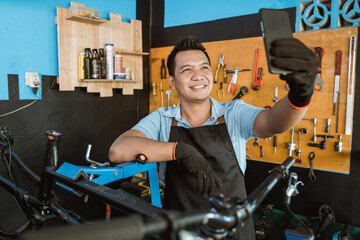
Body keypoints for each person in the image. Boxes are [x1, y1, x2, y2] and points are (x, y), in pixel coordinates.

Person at [109, 36, 318, 239]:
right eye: (187, 69)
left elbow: (274, 123)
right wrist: (180, 150)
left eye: (204, 67)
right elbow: (118, 151)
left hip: (234, 232)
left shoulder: (233, 113)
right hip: (183, 232)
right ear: (171, 81)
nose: (198, 75)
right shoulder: (162, 119)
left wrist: (300, 95)